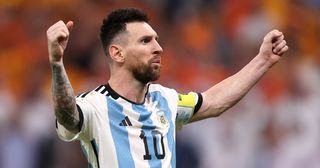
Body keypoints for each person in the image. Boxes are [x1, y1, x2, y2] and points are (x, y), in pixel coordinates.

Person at [46, 8, 288, 168]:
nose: (158, 48)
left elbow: (214, 101)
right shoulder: (95, 104)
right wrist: (57, 64)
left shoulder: (166, 99)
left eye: (157, 39)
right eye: (145, 41)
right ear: (117, 53)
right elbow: (68, 116)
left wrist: (263, 60)